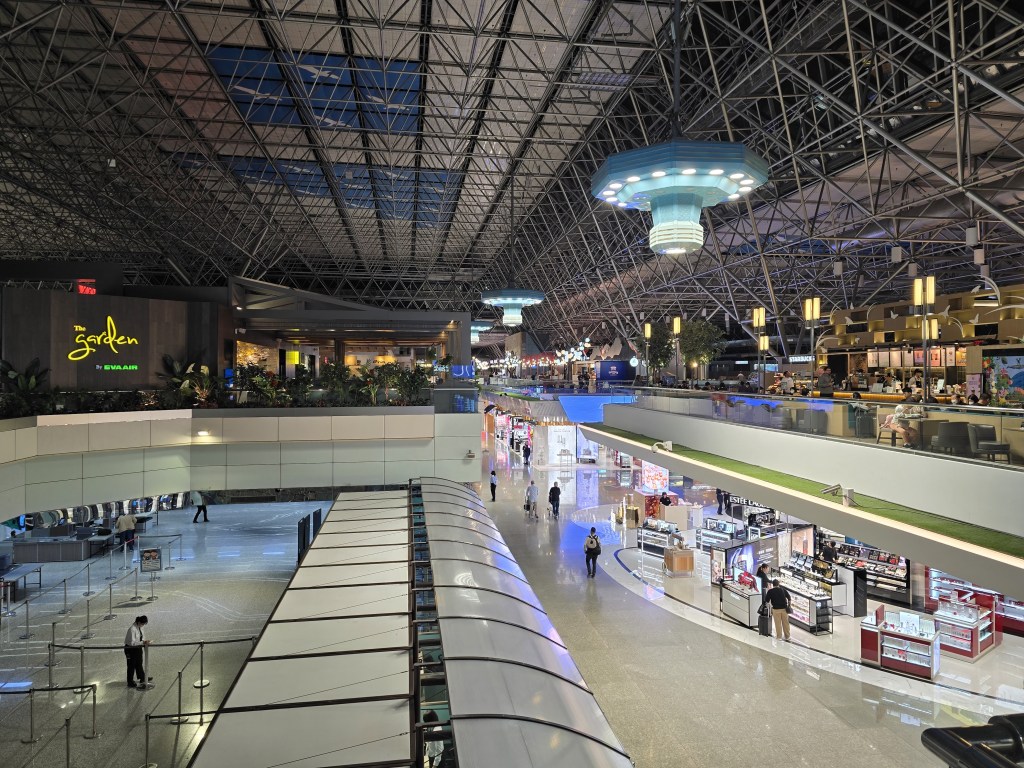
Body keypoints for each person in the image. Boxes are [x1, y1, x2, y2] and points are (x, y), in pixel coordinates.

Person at [124, 615, 151, 688]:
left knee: (139, 663)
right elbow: (132, 643)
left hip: (138, 647)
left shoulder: (140, 627)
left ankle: (142, 677)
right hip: (130, 649)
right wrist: (143, 642)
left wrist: (144, 641)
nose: (143, 625)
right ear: (138, 622)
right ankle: (130, 682)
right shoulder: (132, 629)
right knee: (131, 665)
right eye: (142, 624)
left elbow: (142, 637)